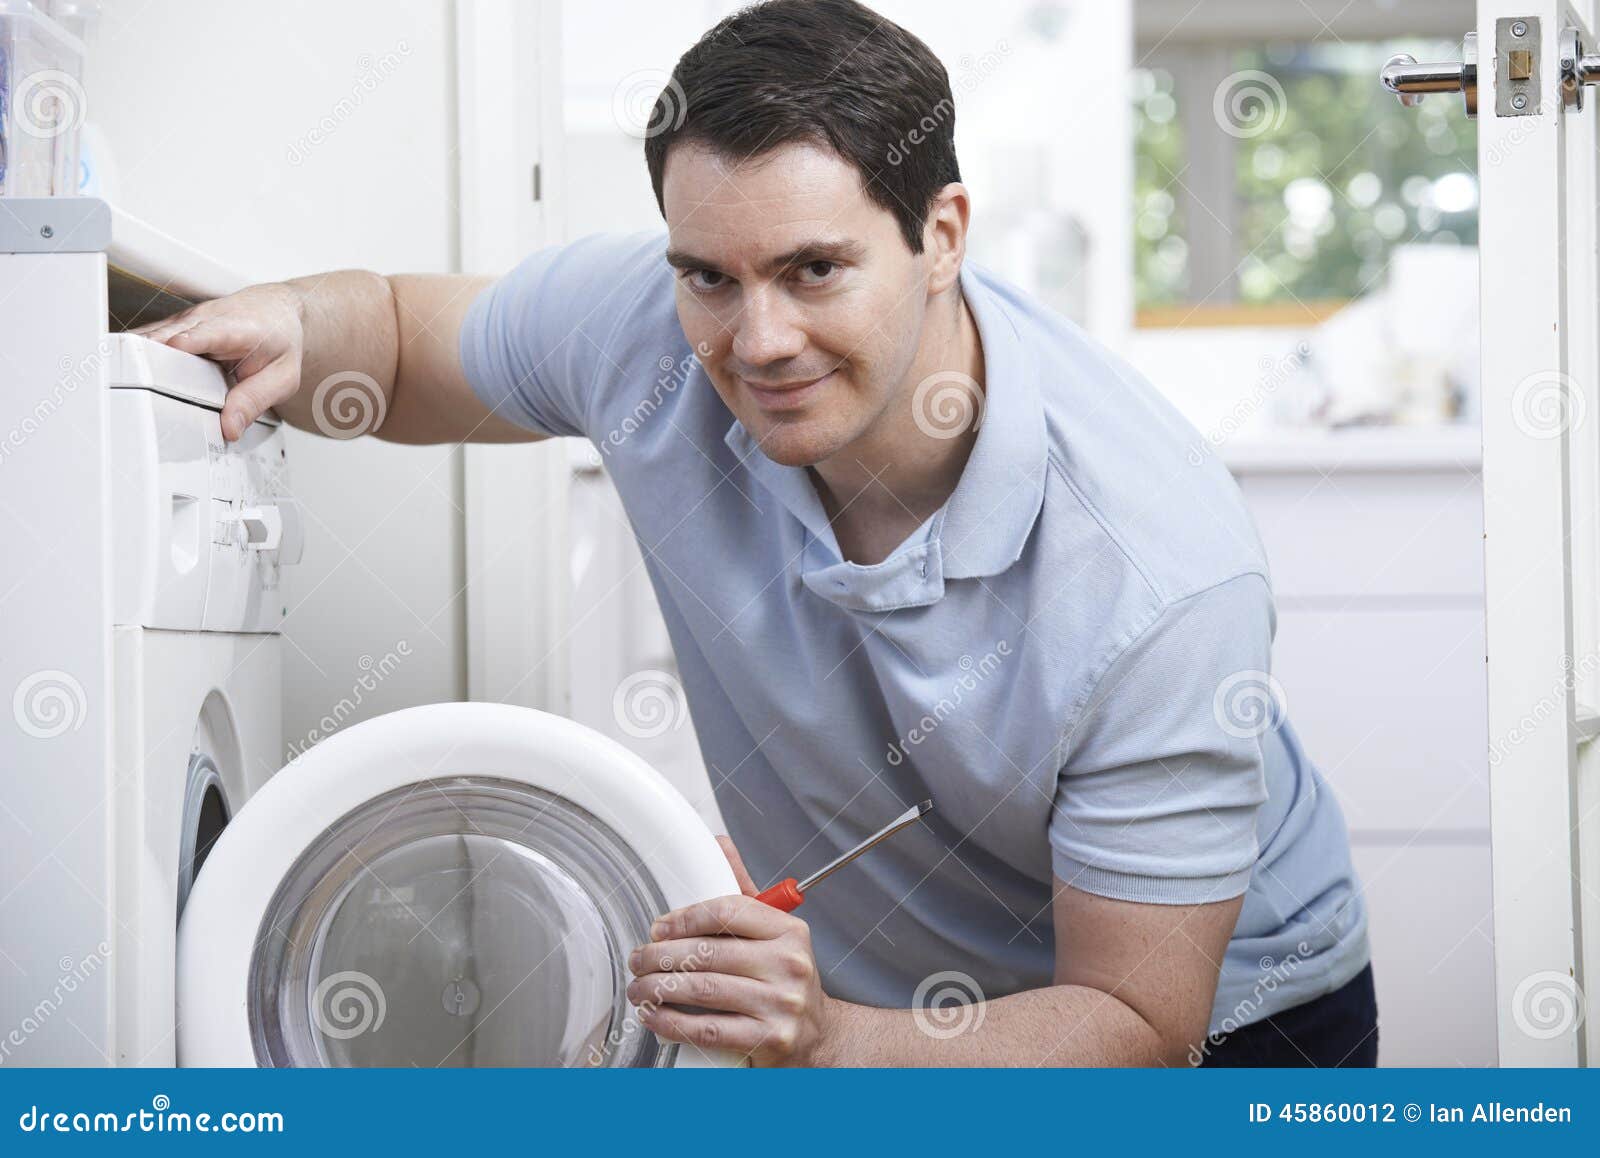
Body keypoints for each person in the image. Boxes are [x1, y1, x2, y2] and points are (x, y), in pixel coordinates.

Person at [136, 0, 1374, 1066]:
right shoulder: (647, 320)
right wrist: (294, 325)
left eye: (815, 271)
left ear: (941, 234)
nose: (757, 339)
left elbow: (1131, 1023)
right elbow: (403, 341)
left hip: (1217, 1037)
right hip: (883, 1013)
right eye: (709, 276)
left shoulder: (1154, 579)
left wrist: (834, 1040)